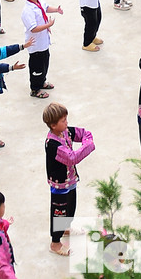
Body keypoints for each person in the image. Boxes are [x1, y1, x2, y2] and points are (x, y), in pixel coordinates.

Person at [43, 102, 95, 256]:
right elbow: (71, 158)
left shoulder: (66, 132)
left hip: (71, 179)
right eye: (63, 120)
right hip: (60, 184)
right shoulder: (52, 144)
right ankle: (55, 242)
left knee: (71, 205)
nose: (67, 123)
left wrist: (87, 140)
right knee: (58, 211)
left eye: (66, 119)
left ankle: (66, 226)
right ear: (53, 125)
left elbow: (84, 133)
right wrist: (88, 145)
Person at [20, 0, 62, 97]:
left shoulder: (38, 2)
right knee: (36, 67)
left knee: (44, 63)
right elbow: (33, 28)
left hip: (43, 42)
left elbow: (46, 7)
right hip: (35, 44)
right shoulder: (27, 11)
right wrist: (48, 25)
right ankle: (35, 89)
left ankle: (42, 81)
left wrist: (56, 10)